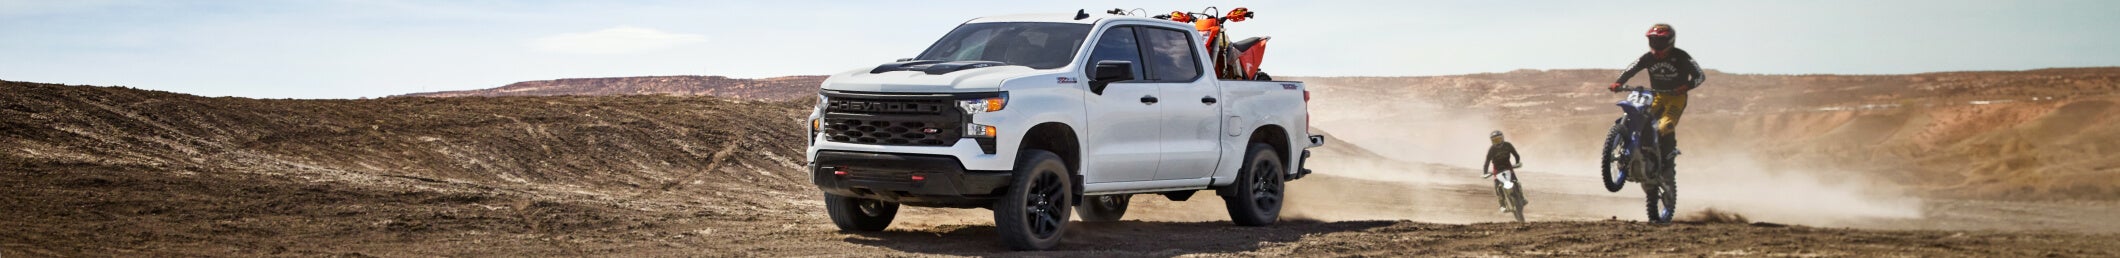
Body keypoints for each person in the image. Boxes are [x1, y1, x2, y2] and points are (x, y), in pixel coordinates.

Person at [1609, 23, 1705, 157]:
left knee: (1664, 126)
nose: (1656, 45)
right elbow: (1631, 69)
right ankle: (1637, 150)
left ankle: (1668, 154)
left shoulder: (1681, 56)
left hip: (1676, 98)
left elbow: (1700, 76)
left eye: (1660, 41)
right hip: (1656, 96)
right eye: (1653, 41)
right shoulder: (1648, 57)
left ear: (1669, 41)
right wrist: (1618, 82)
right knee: (1639, 119)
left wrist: (1685, 87)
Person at [1483, 130, 1525, 213]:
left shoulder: (1508, 145)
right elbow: (1487, 162)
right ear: (1492, 141)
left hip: (1508, 166)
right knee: (1497, 187)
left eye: (1498, 139)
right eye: (1495, 140)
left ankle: (1522, 198)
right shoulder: (1492, 149)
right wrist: (1485, 173)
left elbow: (1516, 155)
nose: (1497, 142)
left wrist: (1517, 163)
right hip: (1497, 169)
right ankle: (1502, 205)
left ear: (1502, 138)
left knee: (1516, 182)